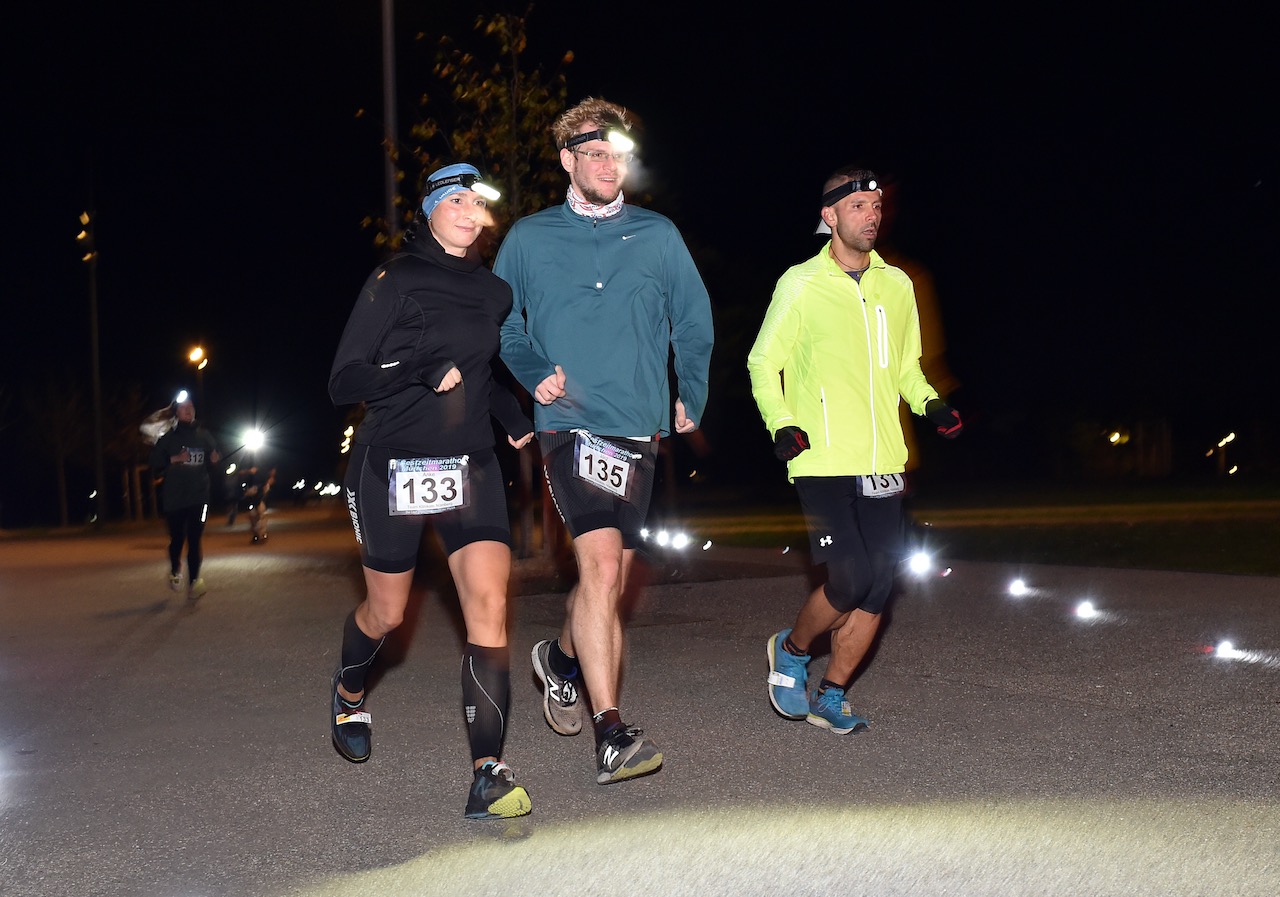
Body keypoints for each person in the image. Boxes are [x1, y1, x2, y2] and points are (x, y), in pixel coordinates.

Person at [495, 97, 715, 784]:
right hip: (570, 424)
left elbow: (693, 319)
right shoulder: (530, 238)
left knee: (609, 576)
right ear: (568, 160)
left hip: (638, 427)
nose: (606, 164)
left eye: (614, 153)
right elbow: (501, 326)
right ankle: (611, 730)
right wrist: (535, 377)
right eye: (592, 153)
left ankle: (560, 660)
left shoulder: (657, 234)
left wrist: (693, 391)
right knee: (600, 567)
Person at [327, 162, 536, 820]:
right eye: (458, 200)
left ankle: (488, 770)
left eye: (479, 201)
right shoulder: (396, 279)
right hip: (392, 464)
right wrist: (419, 367)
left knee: (489, 605)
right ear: (431, 208)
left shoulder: (494, 292)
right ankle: (351, 688)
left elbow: (486, 372)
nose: (471, 210)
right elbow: (344, 380)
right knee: (387, 613)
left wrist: (515, 418)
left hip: (469, 464)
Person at [747, 165, 962, 735]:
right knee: (847, 579)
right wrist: (782, 423)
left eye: (876, 206)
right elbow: (763, 363)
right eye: (859, 206)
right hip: (820, 458)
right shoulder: (800, 283)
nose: (872, 215)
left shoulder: (897, 285)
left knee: (878, 585)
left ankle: (833, 693)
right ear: (830, 216)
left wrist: (930, 404)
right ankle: (791, 650)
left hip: (884, 460)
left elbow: (907, 370)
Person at [149, 394, 220, 599]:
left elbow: (214, 458)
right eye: (183, 407)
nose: (188, 410)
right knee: (178, 539)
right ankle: (174, 570)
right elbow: (154, 461)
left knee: (195, 539)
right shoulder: (169, 437)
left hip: (199, 496)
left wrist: (215, 459)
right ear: (177, 413)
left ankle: (195, 581)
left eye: (191, 406)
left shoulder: (204, 435)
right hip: (175, 498)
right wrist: (175, 458)